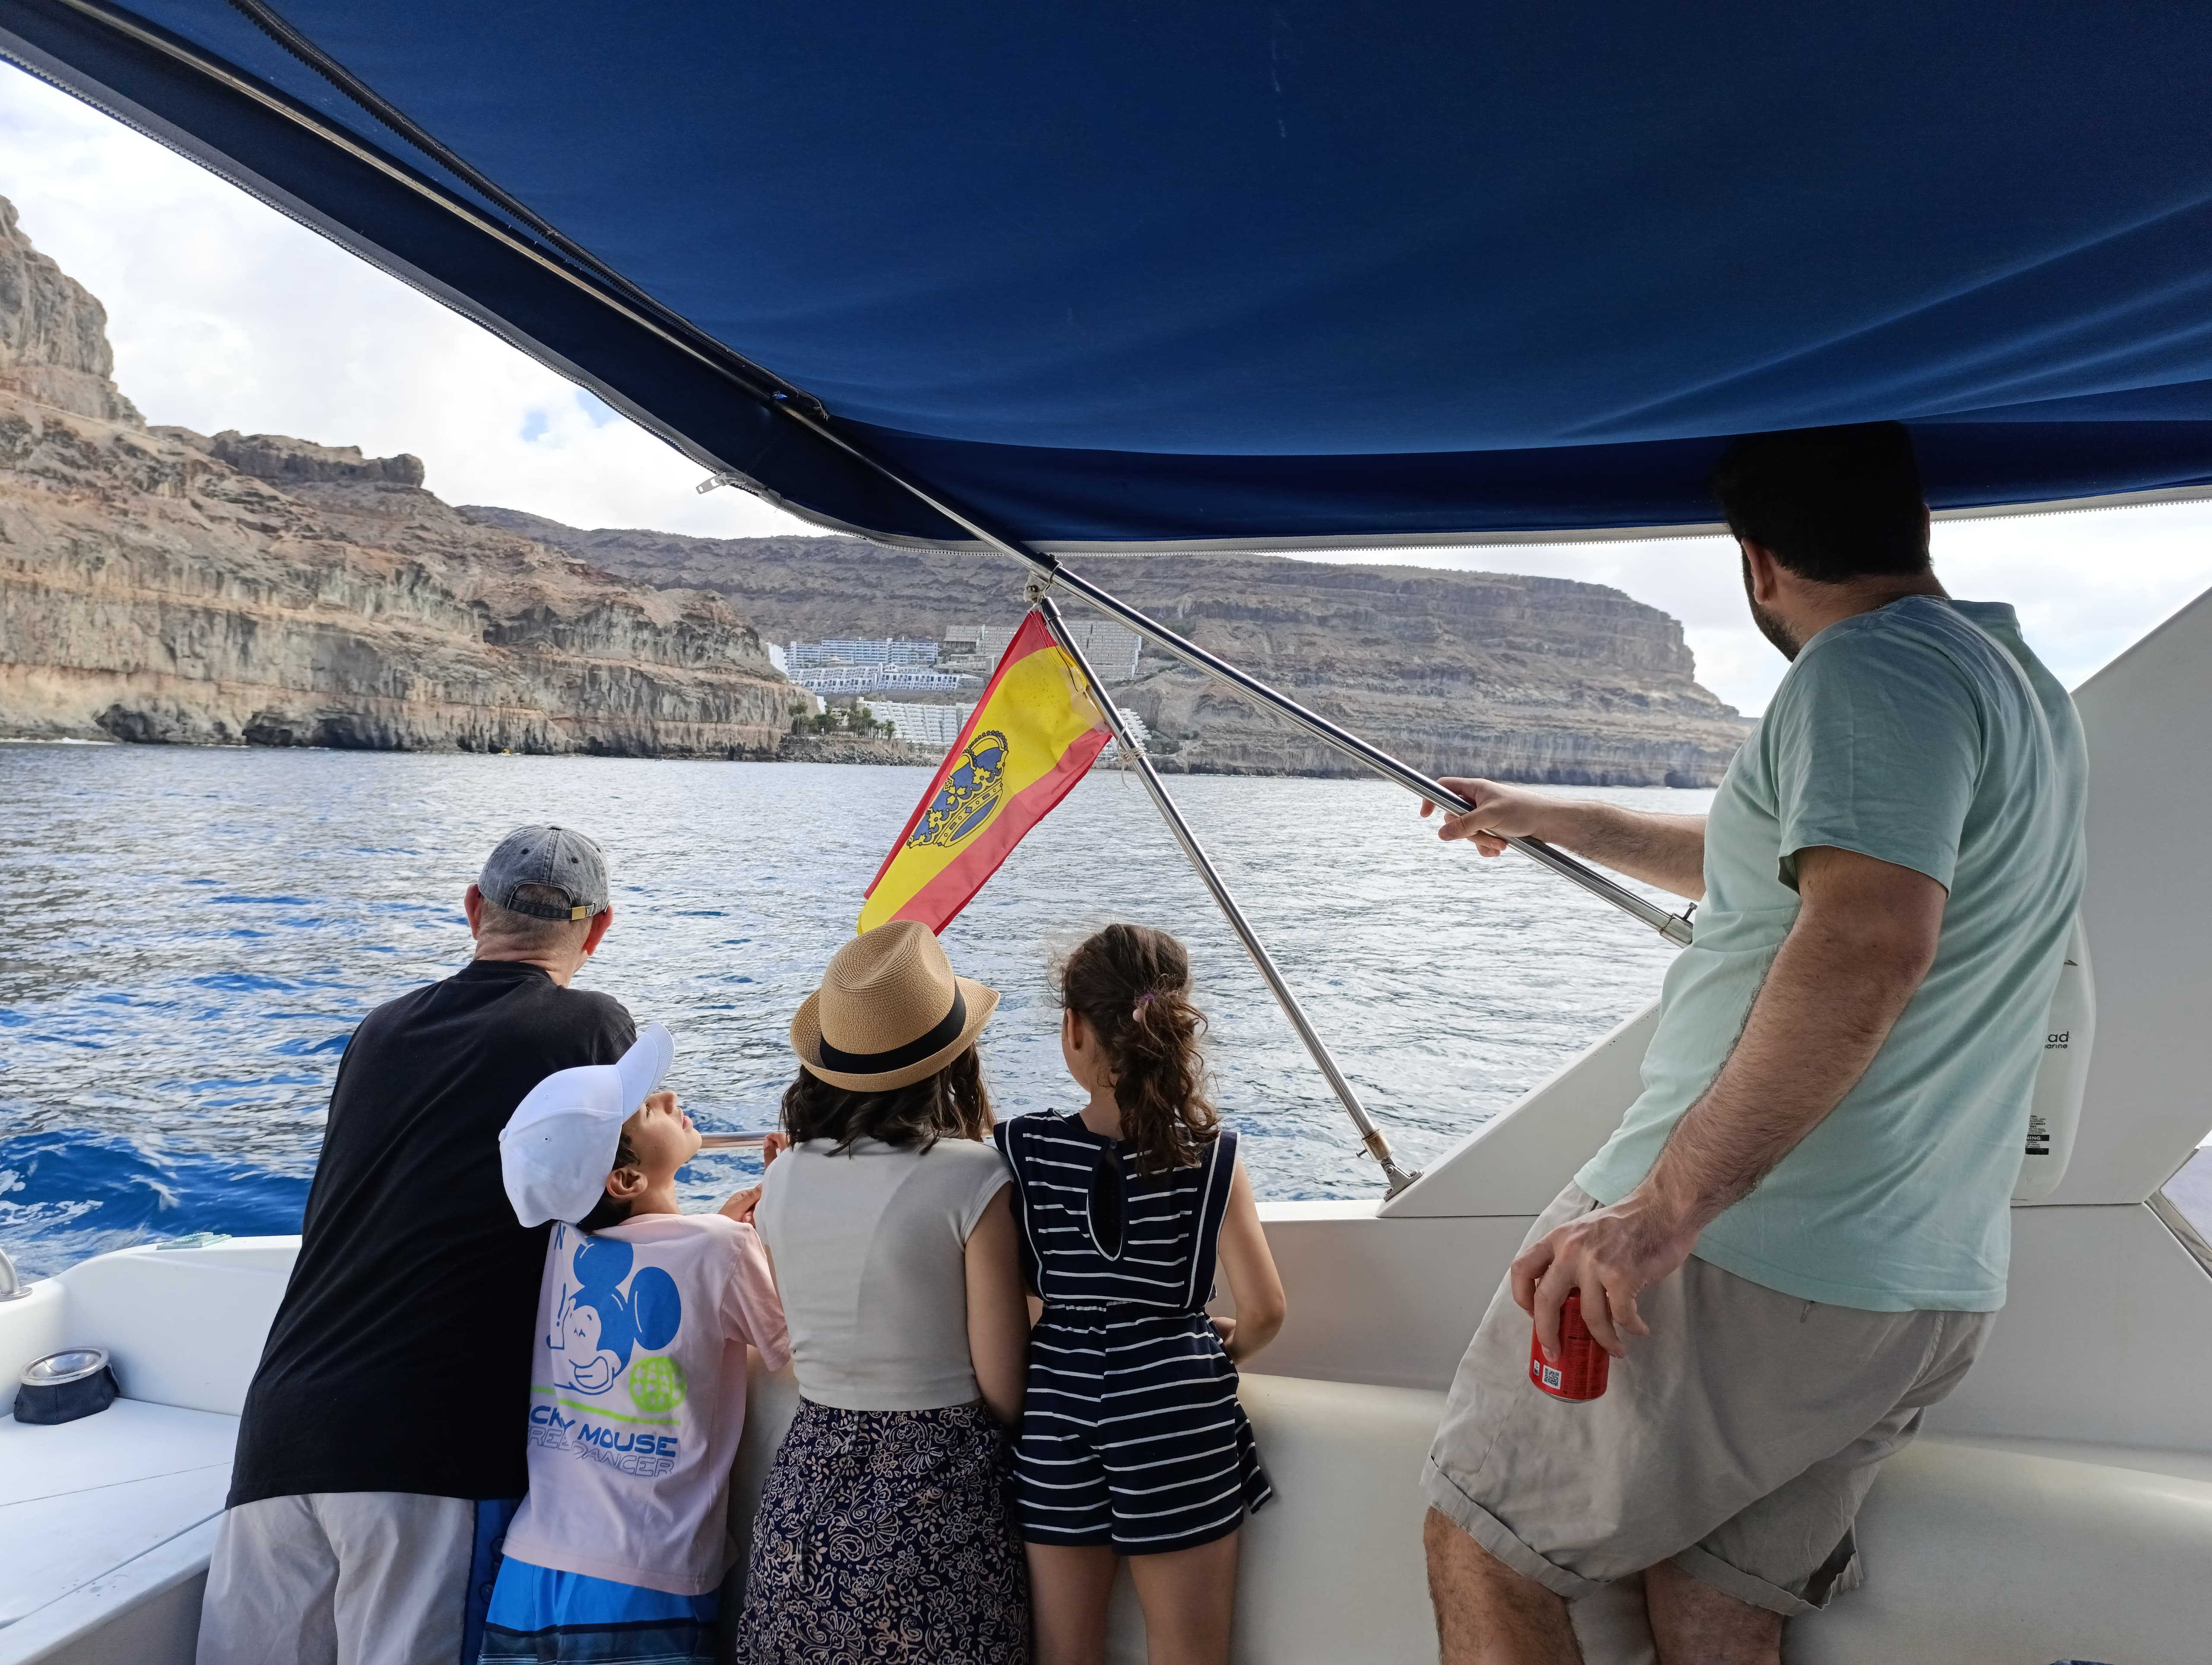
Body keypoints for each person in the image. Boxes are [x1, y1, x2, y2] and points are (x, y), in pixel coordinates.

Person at [1418, 422, 2088, 1665]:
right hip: (1916, 1283)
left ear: (1757, 563)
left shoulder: (1865, 674)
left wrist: (1666, 1209)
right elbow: (1778, 860)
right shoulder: (2014, 687)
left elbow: (1870, 937)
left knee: (1488, 1542)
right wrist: (1552, 815)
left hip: (1749, 1259)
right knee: (1718, 1600)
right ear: (1911, 525)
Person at [200, 826, 635, 1665]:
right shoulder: (589, 1027)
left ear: (475, 908)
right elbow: (617, 1205)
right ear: (600, 928)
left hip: (279, 1437)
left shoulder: (379, 1030)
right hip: (432, 1453)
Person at [736, 920, 1033, 1664]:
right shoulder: (972, 1177)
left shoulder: (785, 1177)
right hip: (933, 1508)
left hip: (805, 1497)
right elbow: (1006, 1392)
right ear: (952, 1061)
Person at [996, 923, 1286, 1665]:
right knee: (1189, 1650)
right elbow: (1263, 1310)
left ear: (1074, 1029)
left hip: (1057, 1398)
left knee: (1065, 1650)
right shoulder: (1211, 1154)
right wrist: (1232, 1344)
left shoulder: (1023, 1148)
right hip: (1172, 1402)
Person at [480, 1024, 789, 1665]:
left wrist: (719, 1229)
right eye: (649, 1108)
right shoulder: (723, 1249)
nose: (671, 1097)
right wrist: (783, 1213)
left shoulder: (564, 1244)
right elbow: (794, 1349)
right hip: (648, 1578)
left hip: (530, 1571)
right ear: (622, 1179)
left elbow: (659, 1257)